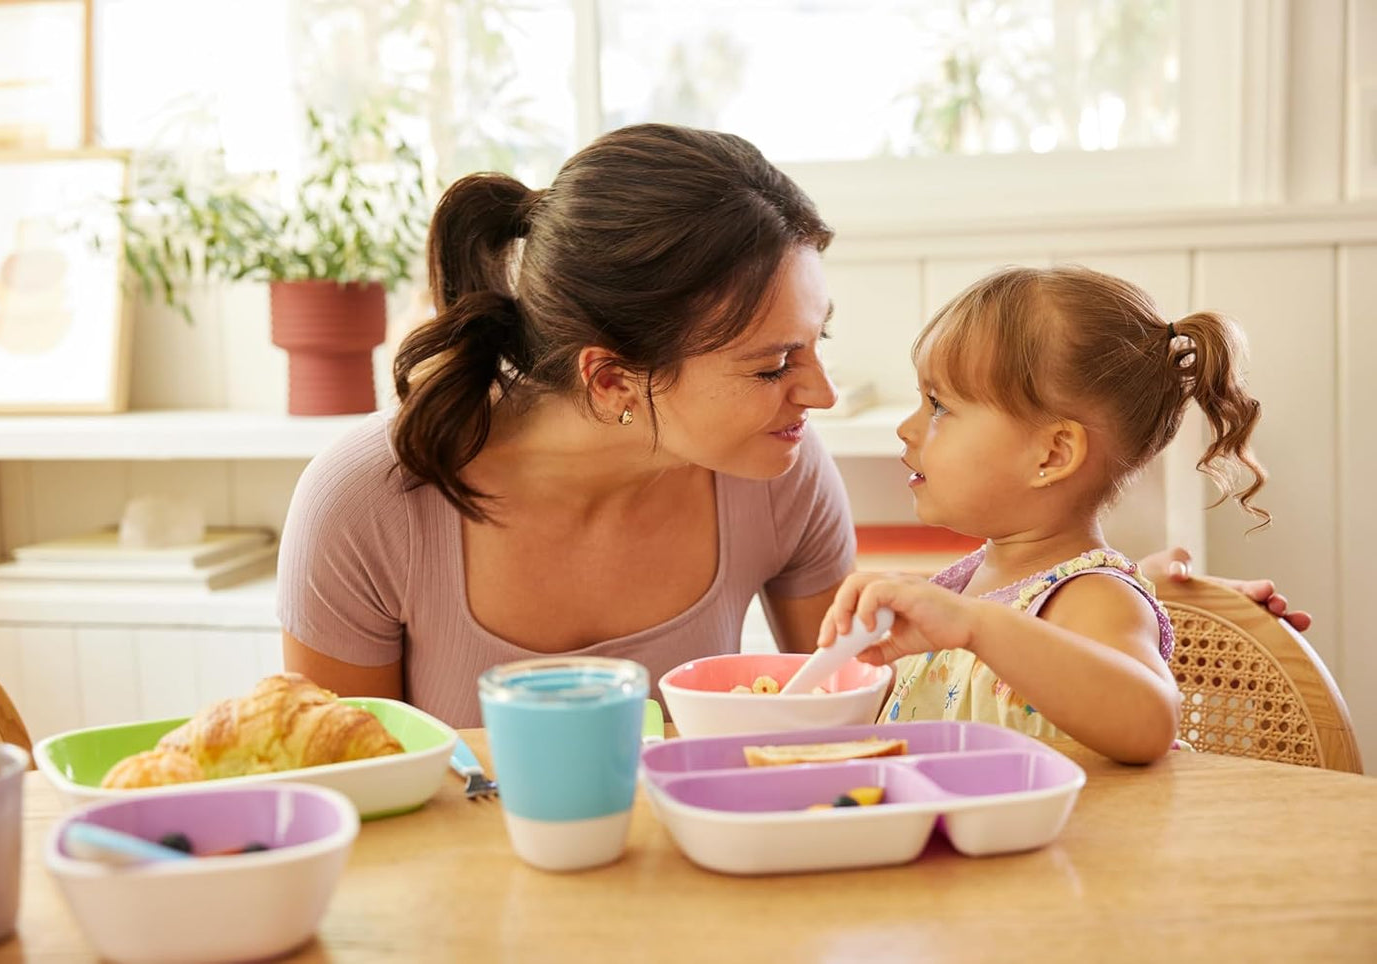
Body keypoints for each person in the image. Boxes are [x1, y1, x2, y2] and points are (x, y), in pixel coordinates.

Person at [278, 123, 1306, 729]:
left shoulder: (776, 469)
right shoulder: (368, 503)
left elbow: (856, 683)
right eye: (770, 364)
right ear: (610, 377)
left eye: (814, 342)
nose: (814, 395)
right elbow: (354, 783)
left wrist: (1120, 592)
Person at [817, 265, 1271, 763]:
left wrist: (977, 625)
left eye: (938, 406)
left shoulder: (1093, 598)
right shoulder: (967, 585)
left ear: (1052, 454)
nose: (907, 427)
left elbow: (1149, 725)